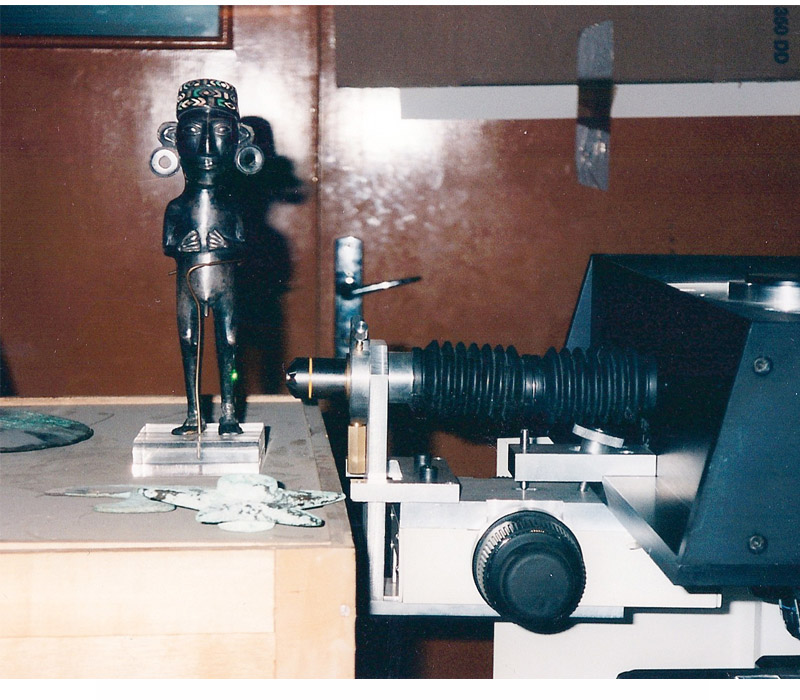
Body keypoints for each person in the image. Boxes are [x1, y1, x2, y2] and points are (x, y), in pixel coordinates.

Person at [151, 79, 263, 435]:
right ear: (172, 138)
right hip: (189, 282)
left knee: (229, 343)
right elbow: (168, 244)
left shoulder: (233, 207)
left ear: (240, 139)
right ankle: (193, 413)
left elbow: (243, 245)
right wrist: (179, 246)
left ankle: (229, 412)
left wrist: (226, 245)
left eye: (221, 133)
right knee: (189, 341)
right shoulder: (176, 207)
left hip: (222, 280)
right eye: (193, 132)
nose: (207, 148)